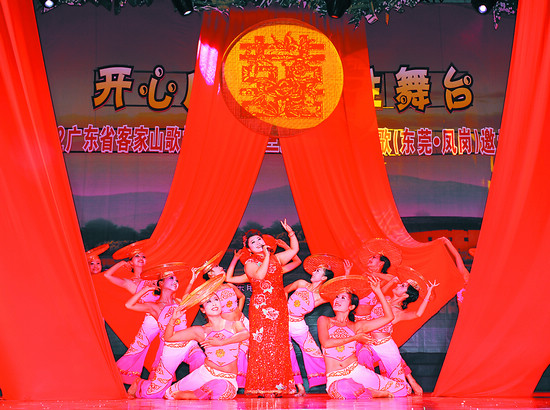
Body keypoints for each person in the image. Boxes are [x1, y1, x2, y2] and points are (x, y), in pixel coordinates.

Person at [317, 275, 410, 399]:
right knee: (344, 387)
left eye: (343, 298)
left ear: (351, 307)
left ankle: (366, 391)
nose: (337, 300)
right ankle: (372, 393)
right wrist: (354, 338)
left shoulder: (357, 326)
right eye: (337, 297)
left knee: (402, 390)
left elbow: (389, 317)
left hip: (356, 371)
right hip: (336, 378)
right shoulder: (324, 320)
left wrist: (378, 291)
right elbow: (326, 343)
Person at [127, 263, 206, 398]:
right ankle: (139, 383)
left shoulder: (179, 301)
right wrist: (146, 289)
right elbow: (129, 305)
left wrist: (192, 279)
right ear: (161, 283)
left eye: (177, 280)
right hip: (171, 348)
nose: (175, 282)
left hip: (188, 343)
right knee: (155, 394)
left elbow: (188, 296)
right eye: (171, 278)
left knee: (200, 359)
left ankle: (195, 390)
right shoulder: (154, 307)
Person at [163, 277, 249, 400]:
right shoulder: (200, 331)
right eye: (208, 302)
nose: (214, 303)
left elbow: (245, 334)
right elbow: (169, 337)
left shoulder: (234, 324)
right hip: (204, 374)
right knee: (169, 394)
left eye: (216, 300)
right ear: (202, 309)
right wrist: (173, 319)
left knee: (222, 389)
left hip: (227, 380)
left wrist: (222, 342)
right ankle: (200, 394)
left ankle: (195, 395)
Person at [358, 266, 440, 395]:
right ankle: (370, 386)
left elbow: (418, 314)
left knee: (400, 389)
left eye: (402, 286)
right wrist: (387, 282)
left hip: (385, 345)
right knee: (363, 354)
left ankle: (403, 385)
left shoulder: (399, 312)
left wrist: (427, 294)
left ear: (406, 295)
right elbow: (378, 293)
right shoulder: (386, 298)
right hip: (369, 342)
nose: (398, 285)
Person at [241, 219, 298, 396]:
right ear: (249, 249)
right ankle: (263, 386)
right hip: (261, 307)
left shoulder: (276, 258)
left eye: (259, 239)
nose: (258, 243)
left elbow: (294, 251)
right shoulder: (249, 263)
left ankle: (279, 386)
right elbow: (259, 276)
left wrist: (291, 233)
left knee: (279, 344)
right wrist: (266, 256)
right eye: (253, 242)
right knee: (263, 344)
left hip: (278, 304)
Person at [283, 254, 344, 390]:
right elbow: (284, 291)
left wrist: (346, 273)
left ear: (323, 278)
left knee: (314, 353)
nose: (313, 272)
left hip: (298, 324)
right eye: (315, 270)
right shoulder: (301, 283)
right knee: (287, 353)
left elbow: (340, 291)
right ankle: (297, 387)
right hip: (282, 322)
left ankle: (334, 380)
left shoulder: (322, 296)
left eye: (318, 271)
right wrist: (282, 310)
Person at [201, 251, 249, 388]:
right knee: (237, 352)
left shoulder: (229, 286)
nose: (222, 268)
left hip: (242, 321)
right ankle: (235, 383)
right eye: (217, 267)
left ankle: (249, 382)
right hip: (229, 326)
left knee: (250, 350)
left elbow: (242, 297)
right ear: (210, 274)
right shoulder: (210, 292)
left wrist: (238, 311)